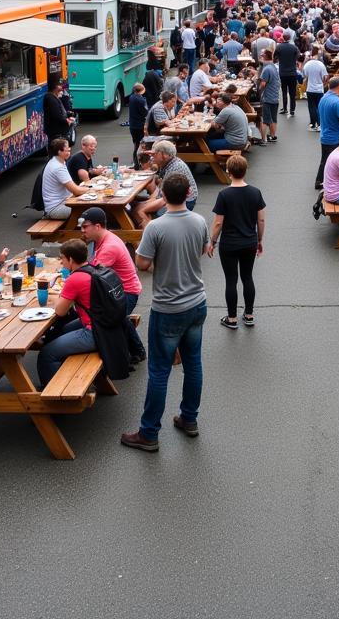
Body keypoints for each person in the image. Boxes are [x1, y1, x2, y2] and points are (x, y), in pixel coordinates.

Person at [122, 172, 210, 453]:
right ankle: (189, 419)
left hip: (168, 308)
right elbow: (200, 250)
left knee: (159, 371)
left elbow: (143, 264)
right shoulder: (199, 221)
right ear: (187, 195)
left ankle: (149, 433)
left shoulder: (155, 228)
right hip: (197, 303)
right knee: (193, 363)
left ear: (162, 197)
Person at [80, 207, 145, 363]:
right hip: (117, 289)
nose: (82, 230)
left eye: (85, 226)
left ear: (97, 226)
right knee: (119, 317)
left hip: (125, 292)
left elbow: (91, 276)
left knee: (112, 317)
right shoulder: (103, 238)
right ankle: (135, 350)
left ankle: (133, 352)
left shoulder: (109, 247)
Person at [208, 154, 266, 329]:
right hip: (249, 242)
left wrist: (212, 241)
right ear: (245, 170)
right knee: (247, 277)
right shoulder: (255, 192)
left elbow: (218, 222)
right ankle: (249, 315)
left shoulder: (224, 194)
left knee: (231, 280)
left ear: (228, 171)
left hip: (229, 244)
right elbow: (261, 220)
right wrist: (259, 239)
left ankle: (232, 318)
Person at [36, 240, 99, 386]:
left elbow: (60, 311)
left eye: (62, 258)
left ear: (70, 259)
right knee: (63, 330)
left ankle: (55, 393)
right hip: (105, 324)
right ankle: (63, 377)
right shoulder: (94, 268)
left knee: (46, 354)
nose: (60, 262)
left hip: (94, 332)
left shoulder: (75, 278)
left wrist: (64, 290)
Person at [135, 140, 199, 224]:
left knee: (139, 211)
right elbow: (160, 191)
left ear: (164, 155)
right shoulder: (170, 162)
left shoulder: (175, 168)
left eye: (155, 154)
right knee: (139, 207)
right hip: (173, 198)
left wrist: (145, 206)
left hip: (183, 201)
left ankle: (152, 231)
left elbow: (164, 198)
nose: (152, 157)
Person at [315, 76, 339, 188]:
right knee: (333, 161)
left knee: (325, 159)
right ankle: (323, 182)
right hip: (335, 137)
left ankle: (320, 181)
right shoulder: (337, 101)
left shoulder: (323, 98)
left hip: (325, 134)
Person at [42, 137, 85, 219]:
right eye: (67, 149)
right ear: (59, 151)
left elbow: (72, 187)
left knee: (90, 207)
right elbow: (76, 191)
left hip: (62, 203)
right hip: (56, 209)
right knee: (89, 211)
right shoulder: (58, 167)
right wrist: (91, 189)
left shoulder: (57, 161)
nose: (69, 149)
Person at [43, 74, 74, 154]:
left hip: (59, 133)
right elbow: (57, 115)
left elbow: (60, 112)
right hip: (56, 134)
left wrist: (68, 114)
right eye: (60, 84)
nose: (62, 86)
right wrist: (67, 120)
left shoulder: (53, 96)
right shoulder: (50, 98)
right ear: (56, 86)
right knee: (58, 156)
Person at [274, 32, 301, 117]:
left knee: (284, 91)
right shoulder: (294, 47)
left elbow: (275, 57)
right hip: (292, 72)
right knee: (292, 92)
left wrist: (280, 59)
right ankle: (292, 109)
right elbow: (298, 56)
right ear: (289, 38)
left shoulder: (279, 47)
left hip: (283, 73)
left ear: (283, 38)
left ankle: (285, 108)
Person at [302, 47, 328, 131]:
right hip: (319, 89)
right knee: (319, 107)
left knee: (311, 107)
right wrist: (323, 84)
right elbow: (325, 77)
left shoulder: (307, 65)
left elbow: (305, 76)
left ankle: (313, 124)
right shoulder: (321, 65)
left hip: (310, 88)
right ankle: (320, 124)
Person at [257, 49, 281, 142]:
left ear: (264, 57)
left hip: (268, 97)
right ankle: (273, 136)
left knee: (265, 120)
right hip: (275, 96)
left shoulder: (266, 69)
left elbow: (263, 84)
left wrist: (259, 90)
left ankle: (263, 139)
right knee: (274, 118)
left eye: (261, 56)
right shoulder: (273, 67)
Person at [128, 81, 148, 164]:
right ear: (142, 90)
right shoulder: (141, 100)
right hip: (139, 125)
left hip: (132, 125)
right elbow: (145, 112)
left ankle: (135, 161)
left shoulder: (131, 97)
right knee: (141, 145)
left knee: (136, 144)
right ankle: (138, 162)